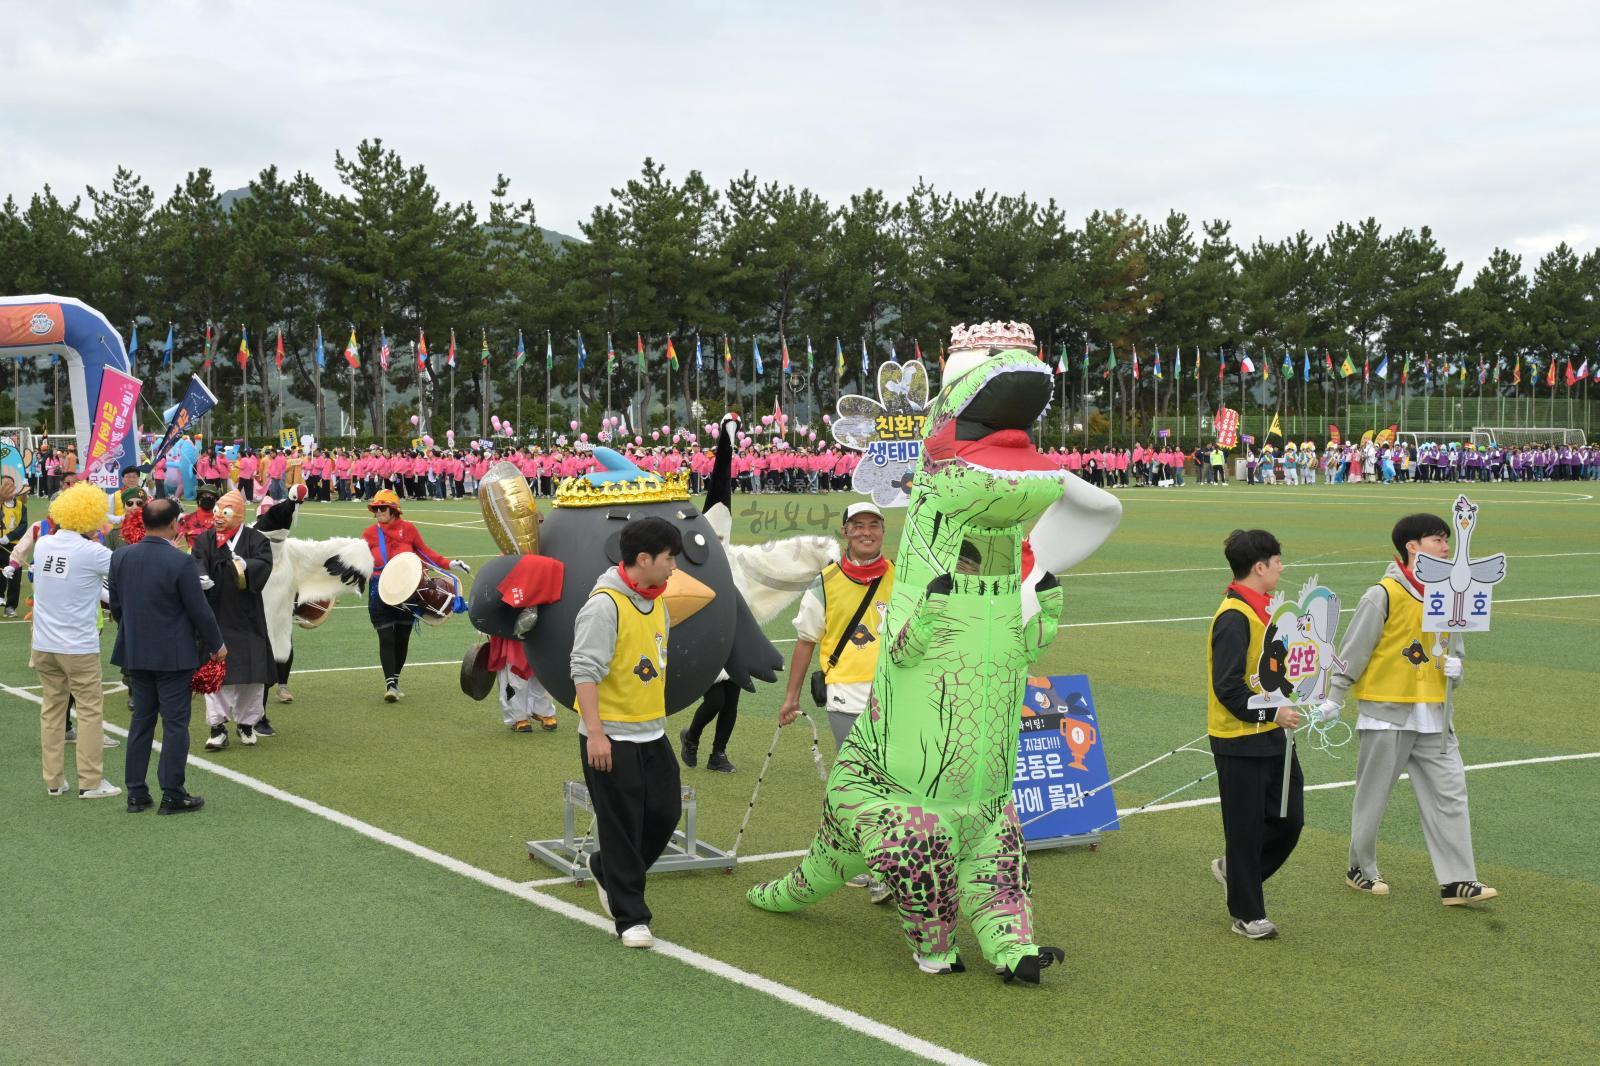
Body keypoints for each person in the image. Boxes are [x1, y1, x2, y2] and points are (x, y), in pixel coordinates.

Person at [1318, 514, 1497, 906]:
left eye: (1446, 539)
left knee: (1450, 794)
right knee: (1374, 794)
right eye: (1437, 539)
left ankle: (1457, 881)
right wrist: (1335, 695)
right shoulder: (1382, 594)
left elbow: (1456, 652)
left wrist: (1458, 669)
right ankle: (1359, 868)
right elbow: (1353, 651)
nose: (1446, 546)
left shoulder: (1452, 594)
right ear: (1412, 547)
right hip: (1386, 712)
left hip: (1436, 715)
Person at [569, 516, 684, 950]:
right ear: (643, 559)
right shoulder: (604, 605)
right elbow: (583, 672)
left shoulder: (657, 602)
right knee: (620, 825)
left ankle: (608, 870)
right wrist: (595, 733)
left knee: (663, 814)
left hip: (651, 733)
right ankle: (631, 917)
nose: (674, 567)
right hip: (610, 735)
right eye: (669, 558)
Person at [776, 501, 895, 898]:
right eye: (857, 525)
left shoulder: (903, 576)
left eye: (873, 525)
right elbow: (805, 641)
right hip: (846, 698)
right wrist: (791, 697)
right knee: (862, 784)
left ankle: (877, 862)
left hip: (898, 697)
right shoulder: (824, 582)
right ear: (845, 532)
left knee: (895, 782)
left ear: (882, 530)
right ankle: (871, 865)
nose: (866, 532)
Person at [1207, 528, 1304, 940]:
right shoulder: (1234, 617)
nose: (1282, 567)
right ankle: (1247, 913)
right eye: (1278, 561)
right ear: (1259, 567)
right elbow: (1227, 687)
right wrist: (1271, 712)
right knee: (1245, 830)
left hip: (1273, 734)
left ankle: (1235, 871)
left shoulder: (1269, 610)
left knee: (1290, 821)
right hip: (1238, 738)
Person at [110, 498, 226, 814]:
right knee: (175, 725)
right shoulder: (180, 561)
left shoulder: (120, 556)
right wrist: (217, 644)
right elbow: (199, 610)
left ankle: (136, 792)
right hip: (173, 654)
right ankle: (172, 792)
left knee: (141, 721)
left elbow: (116, 608)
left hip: (136, 651)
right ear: (175, 523)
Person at [29, 483, 120, 799]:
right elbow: (125, 572)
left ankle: (54, 781)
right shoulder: (94, 552)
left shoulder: (43, 545)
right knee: (90, 711)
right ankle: (91, 781)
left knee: (52, 711)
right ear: (89, 515)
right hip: (78, 646)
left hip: (43, 644)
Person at [361, 488, 468, 701]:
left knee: (402, 638)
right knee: (386, 637)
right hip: (379, 591)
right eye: (376, 508)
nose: (378, 512)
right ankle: (390, 684)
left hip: (409, 592)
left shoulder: (408, 529)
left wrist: (450, 564)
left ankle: (396, 680)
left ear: (394, 510)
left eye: (382, 508)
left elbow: (425, 553)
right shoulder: (369, 534)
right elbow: (359, 561)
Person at [191, 490, 276, 750]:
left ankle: (247, 723)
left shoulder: (256, 539)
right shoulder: (205, 539)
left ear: (238, 514)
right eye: (216, 511)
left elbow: (265, 563)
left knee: (252, 671)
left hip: (247, 615)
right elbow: (195, 561)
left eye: (224, 512)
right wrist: (200, 576)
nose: (217, 517)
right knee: (216, 670)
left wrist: (246, 564)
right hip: (215, 613)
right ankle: (217, 726)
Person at [1, 473, 27, 617]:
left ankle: (10, 606)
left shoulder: (21, 506)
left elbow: (23, 526)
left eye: (11, 485)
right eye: (5, 485)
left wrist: (9, 537)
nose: (8, 488)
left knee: (14, 577)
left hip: (14, 547)